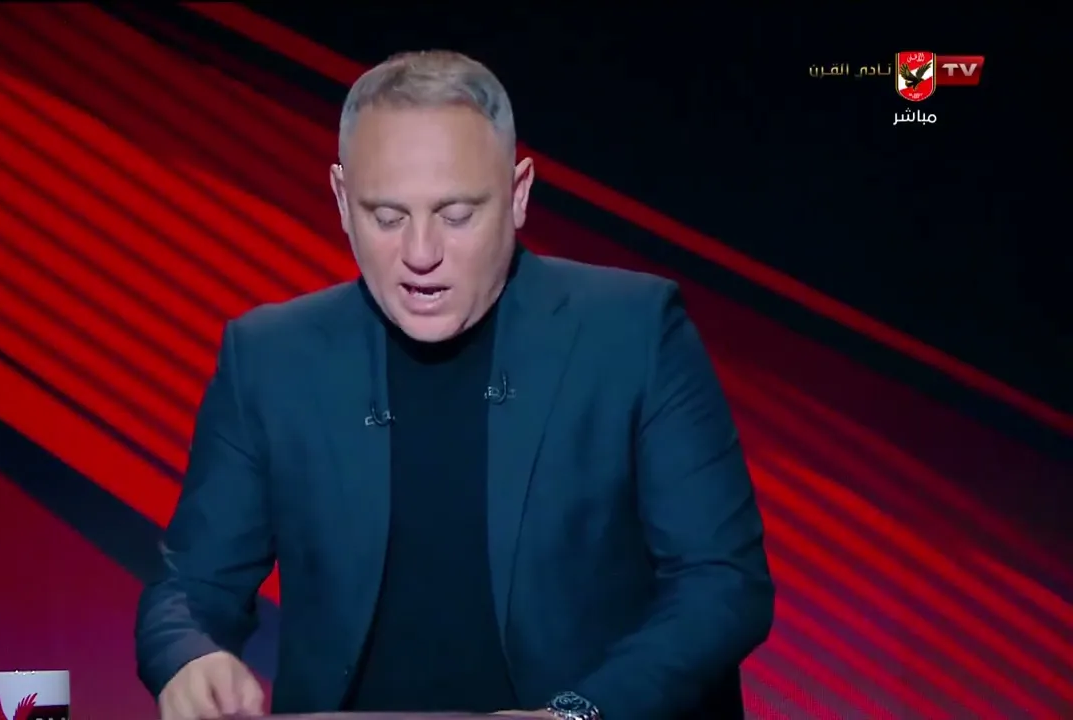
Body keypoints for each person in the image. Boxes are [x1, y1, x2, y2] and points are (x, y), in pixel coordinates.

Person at [135, 50, 774, 720]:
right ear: (342, 200)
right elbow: (188, 590)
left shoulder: (634, 332)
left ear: (518, 193)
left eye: (457, 214)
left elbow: (721, 584)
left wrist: (578, 714)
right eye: (387, 216)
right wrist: (187, 655)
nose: (421, 254)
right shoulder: (269, 356)